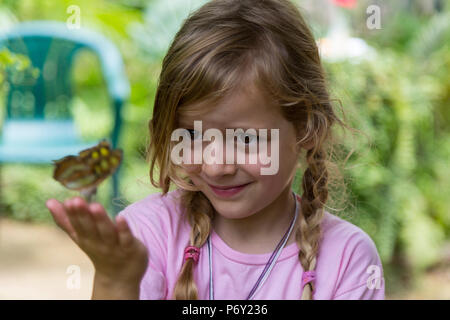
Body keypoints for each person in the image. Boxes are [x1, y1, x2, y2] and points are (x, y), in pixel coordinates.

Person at [46, 0, 384, 300]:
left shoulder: (347, 259)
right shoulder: (146, 235)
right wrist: (115, 282)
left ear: (308, 127)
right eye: (192, 134)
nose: (216, 166)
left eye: (246, 140)